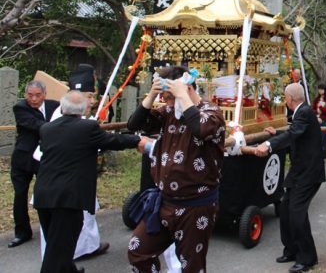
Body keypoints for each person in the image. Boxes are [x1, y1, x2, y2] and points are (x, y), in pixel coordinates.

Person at [126, 65, 226, 273]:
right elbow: (134, 124)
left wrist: (182, 95)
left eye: (170, 97)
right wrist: (153, 94)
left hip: (196, 206)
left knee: (191, 264)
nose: (168, 102)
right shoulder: (168, 112)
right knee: (138, 250)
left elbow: (201, 129)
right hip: (165, 202)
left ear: (188, 89)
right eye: (165, 98)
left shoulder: (212, 113)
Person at [34, 91, 146, 273]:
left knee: (57, 244)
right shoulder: (87, 127)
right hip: (68, 197)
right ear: (84, 109)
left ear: (62, 107)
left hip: (44, 194)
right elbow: (113, 140)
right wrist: (137, 140)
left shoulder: (47, 129)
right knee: (58, 250)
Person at [37, 64, 110, 261]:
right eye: (90, 96)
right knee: (63, 233)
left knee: (83, 220)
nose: (93, 101)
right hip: (64, 185)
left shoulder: (74, 115)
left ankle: (85, 249)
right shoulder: (62, 118)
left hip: (71, 181)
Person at [255, 82, 326, 273]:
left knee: (297, 214)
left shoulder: (304, 112)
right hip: (299, 171)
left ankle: (307, 258)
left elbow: (294, 133)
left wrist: (269, 145)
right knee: (285, 210)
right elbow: (295, 135)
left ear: (289, 99)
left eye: (285, 97)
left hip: (309, 173)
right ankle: (292, 250)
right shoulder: (301, 113)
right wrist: (276, 134)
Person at [9, 81, 59, 248]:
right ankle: (22, 232)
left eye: (38, 95)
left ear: (44, 94)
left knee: (45, 193)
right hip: (23, 159)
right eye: (30, 95)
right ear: (25, 95)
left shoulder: (55, 106)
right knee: (20, 194)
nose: (34, 99)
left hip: (44, 158)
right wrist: (58, 127)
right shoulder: (20, 108)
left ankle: (50, 228)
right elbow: (37, 125)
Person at [312, 82, 326, 159]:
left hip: (325, 122)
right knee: (315, 139)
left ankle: (322, 156)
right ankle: (316, 155)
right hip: (316, 121)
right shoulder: (316, 99)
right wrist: (316, 114)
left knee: (323, 139)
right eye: (319, 89)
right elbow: (313, 109)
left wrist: (321, 108)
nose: (320, 91)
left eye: (322, 89)